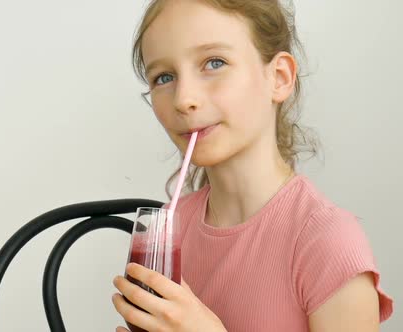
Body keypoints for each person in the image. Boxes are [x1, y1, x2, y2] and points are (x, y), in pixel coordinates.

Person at [111, 0, 394, 331]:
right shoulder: (170, 231)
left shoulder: (327, 243)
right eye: (164, 77)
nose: (183, 99)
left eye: (214, 62)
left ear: (279, 78)